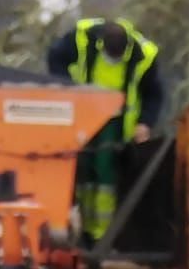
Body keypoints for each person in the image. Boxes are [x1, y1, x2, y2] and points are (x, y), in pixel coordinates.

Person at [46, 17, 164, 241]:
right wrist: (64, 87)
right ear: (101, 44)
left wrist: (145, 122)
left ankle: (101, 235)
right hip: (80, 116)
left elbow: (154, 94)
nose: (112, 61)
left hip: (115, 123)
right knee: (78, 170)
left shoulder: (144, 55)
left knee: (105, 175)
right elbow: (55, 58)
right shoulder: (82, 38)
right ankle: (76, 230)